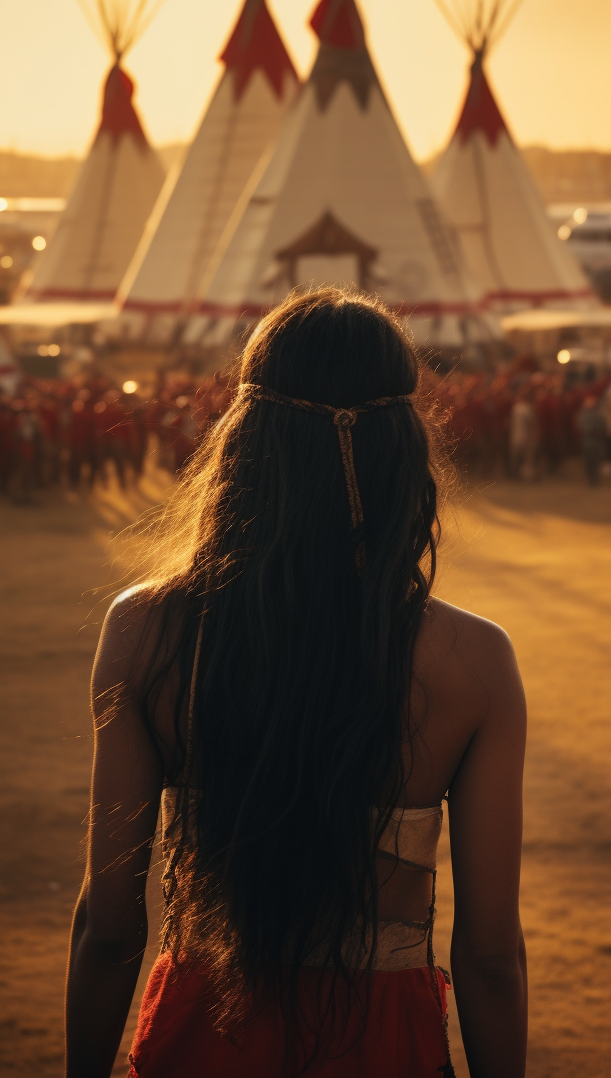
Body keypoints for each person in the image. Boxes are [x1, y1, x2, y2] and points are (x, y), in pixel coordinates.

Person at [65, 290, 527, 1078]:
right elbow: (487, 956)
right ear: (404, 451)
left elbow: (110, 928)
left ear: (244, 444)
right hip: (385, 1043)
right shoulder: (475, 660)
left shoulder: (146, 631)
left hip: (202, 1031)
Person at [577, 395, 606, 486]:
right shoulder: (584, 416)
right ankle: (591, 478)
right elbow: (581, 428)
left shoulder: (599, 415)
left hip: (595, 442)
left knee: (595, 461)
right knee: (589, 461)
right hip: (587, 442)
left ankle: (594, 478)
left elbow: (602, 428)